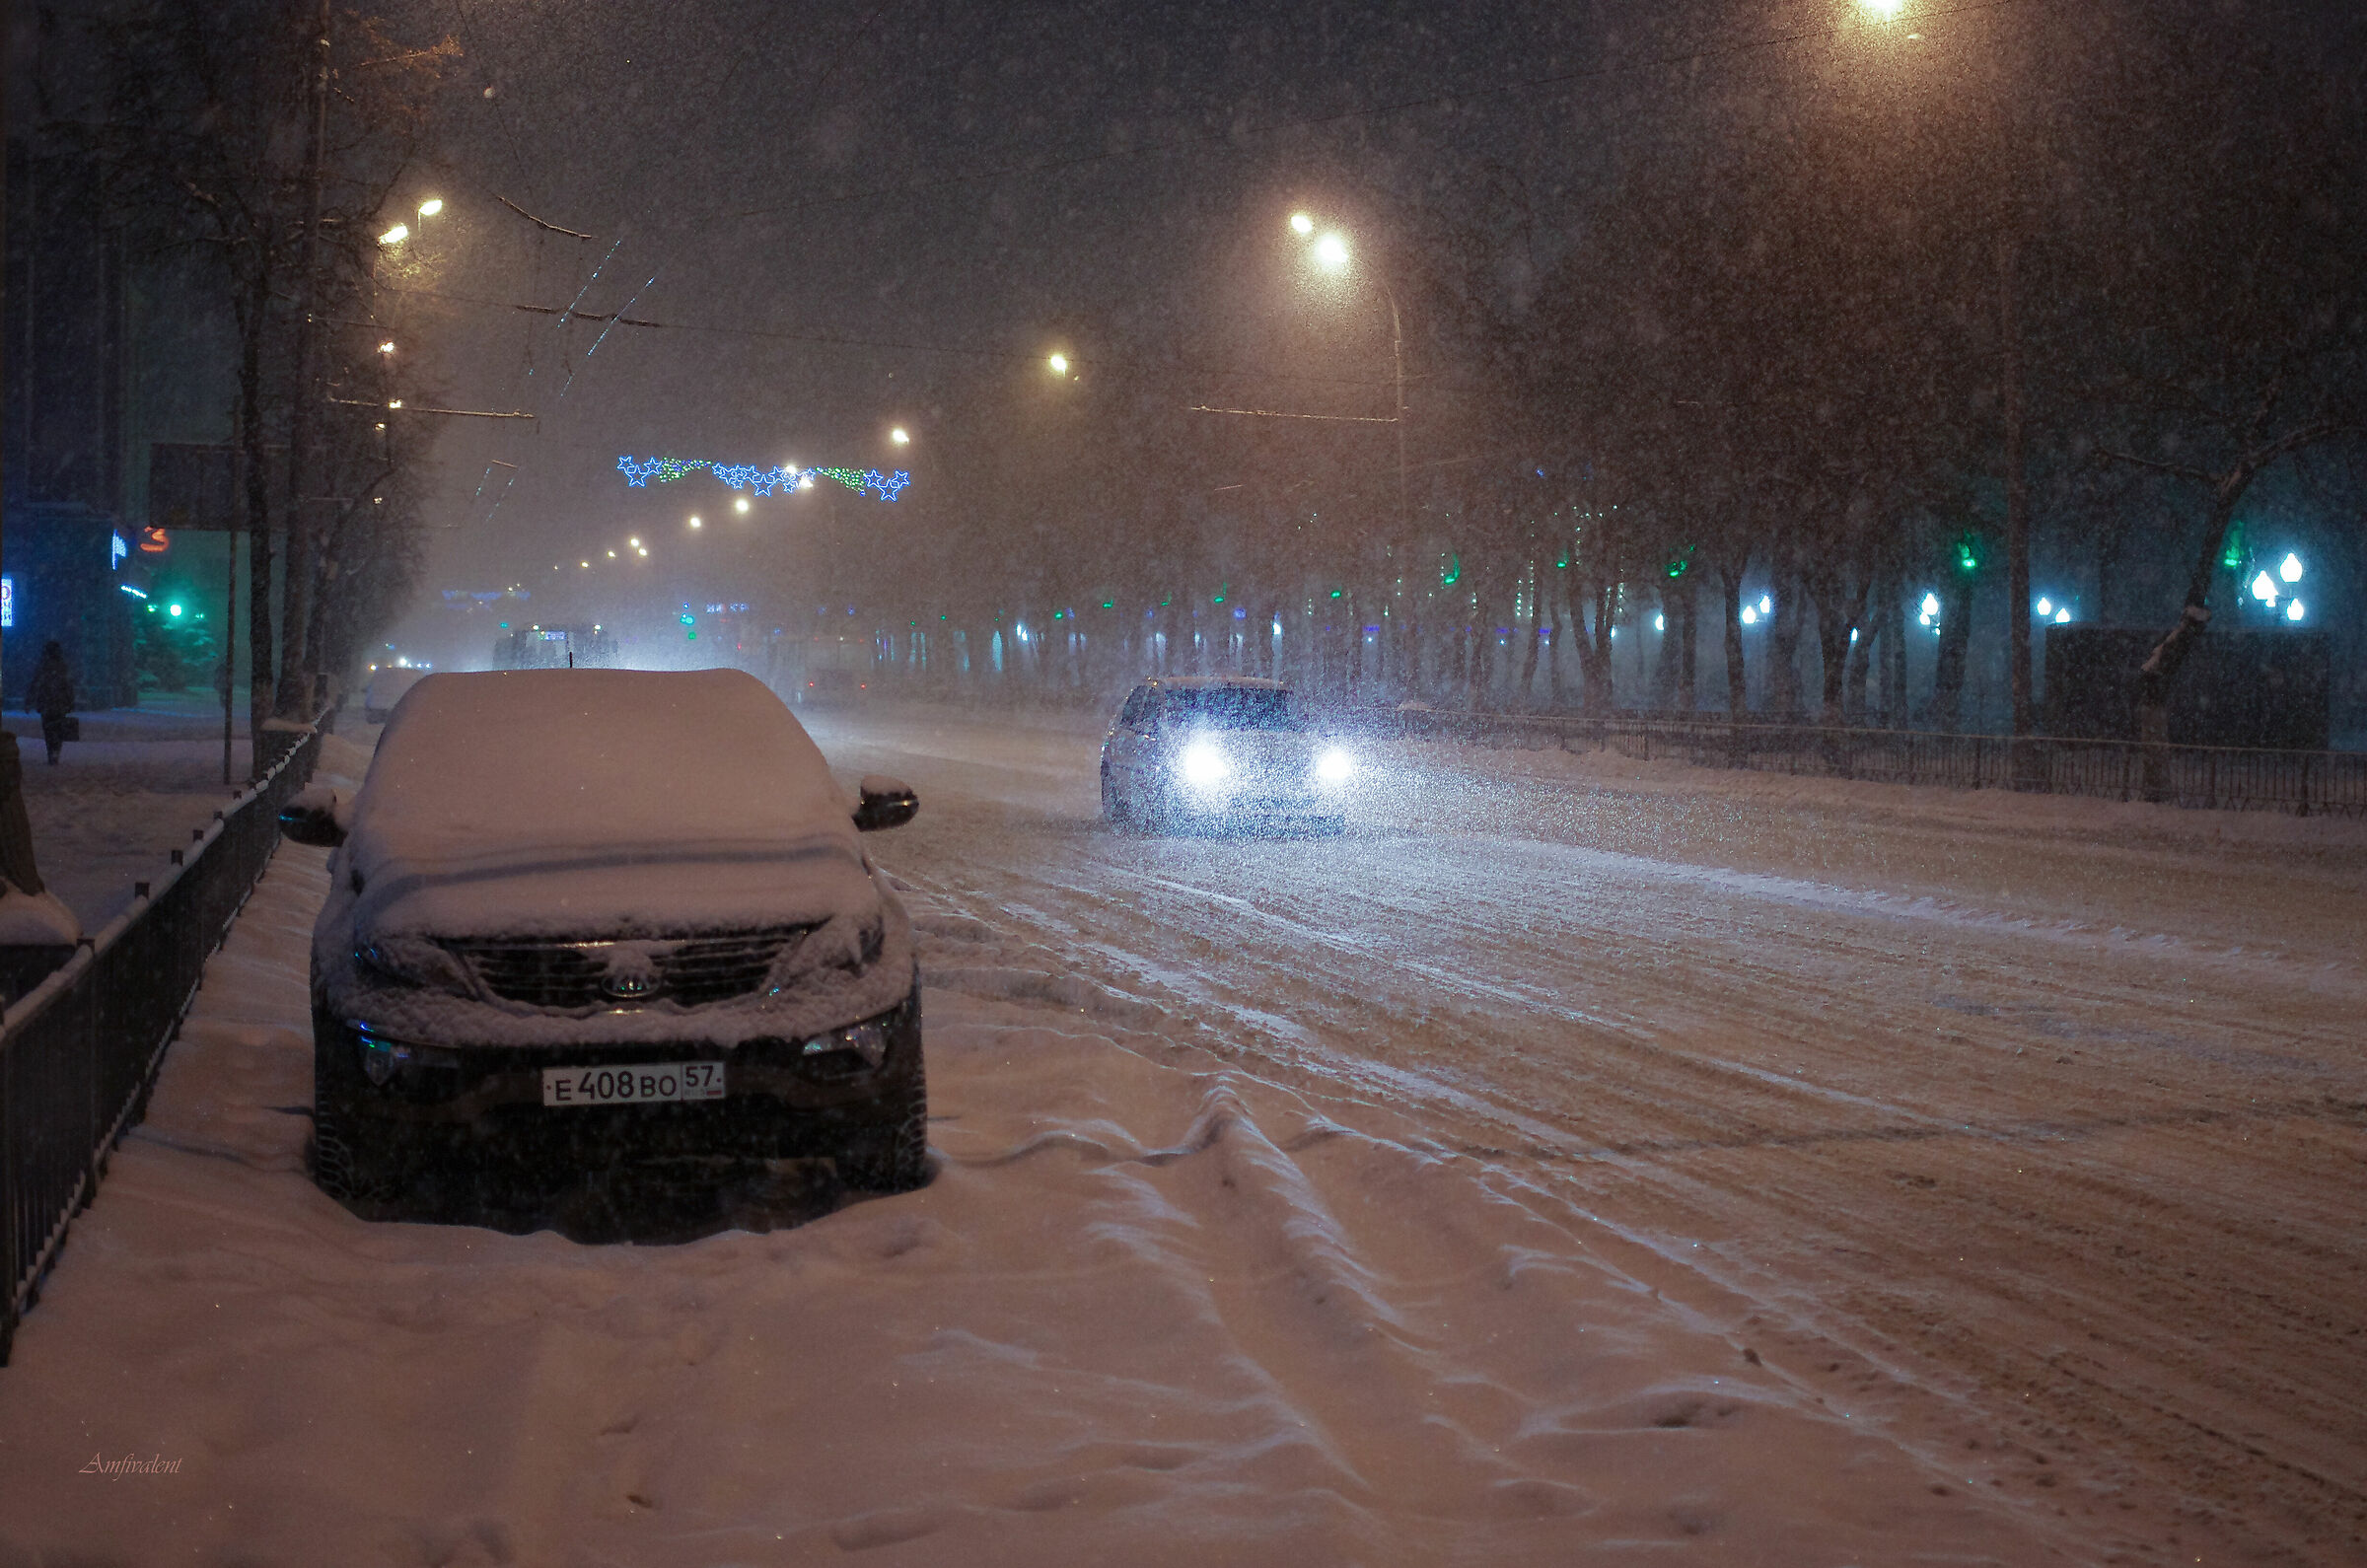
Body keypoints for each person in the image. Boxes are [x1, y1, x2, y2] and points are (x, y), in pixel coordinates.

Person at [27, 641, 76, 766]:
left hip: (47, 703)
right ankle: (55, 752)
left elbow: (35, 683)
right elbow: (68, 685)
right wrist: (70, 701)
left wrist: (30, 700)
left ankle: (51, 753)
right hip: (60, 704)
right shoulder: (62, 666)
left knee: (48, 729)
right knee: (58, 729)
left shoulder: (43, 666)